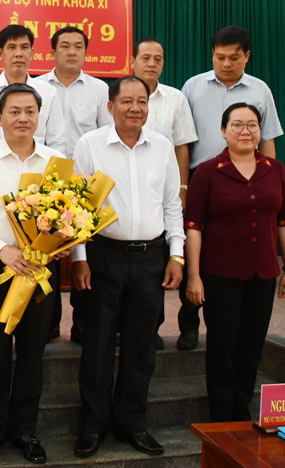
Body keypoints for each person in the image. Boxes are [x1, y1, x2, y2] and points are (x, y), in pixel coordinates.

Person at [0, 83, 72, 465]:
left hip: (40, 268)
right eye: (15, 111)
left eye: (30, 111)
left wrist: (64, 241)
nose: (23, 118)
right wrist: (2, 250)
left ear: (39, 116)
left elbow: (69, 214)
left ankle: (25, 430)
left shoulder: (57, 162)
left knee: (32, 352)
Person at [71, 76, 184, 458]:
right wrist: (79, 259)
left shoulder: (163, 147)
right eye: (127, 101)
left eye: (142, 101)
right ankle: (93, 425)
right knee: (98, 344)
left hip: (151, 258)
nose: (135, 108)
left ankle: (132, 423)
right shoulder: (90, 145)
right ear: (111, 106)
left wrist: (176, 254)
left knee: (142, 346)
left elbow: (172, 205)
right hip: (104, 257)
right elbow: (77, 208)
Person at [185, 102, 285, 422]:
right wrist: (194, 275)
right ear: (223, 131)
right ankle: (221, 419)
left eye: (252, 125)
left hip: (264, 274)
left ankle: (241, 412)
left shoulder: (276, 170)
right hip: (220, 274)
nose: (245, 131)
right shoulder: (207, 172)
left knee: (251, 347)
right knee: (222, 347)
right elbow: (193, 228)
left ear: (260, 131)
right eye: (237, 125)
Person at [178, 26, 283, 350]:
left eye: (234, 57)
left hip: (249, 176)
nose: (226, 63)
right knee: (194, 247)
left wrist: (270, 179)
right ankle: (189, 324)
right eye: (220, 57)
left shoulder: (260, 90)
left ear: (246, 56)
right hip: (201, 177)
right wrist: (183, 186)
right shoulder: (193, 86)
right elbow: (183, 140)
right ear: (212, 54)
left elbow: (267, 138)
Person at [32, 26, 113, 343]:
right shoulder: (37, 87)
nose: (71, 51)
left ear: (86, 52)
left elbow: (106, 135)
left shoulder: (99, 90)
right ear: (52, 52)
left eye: (78, 46)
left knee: (85, 252)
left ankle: (82, 324)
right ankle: (48, 323)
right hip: (45, 180)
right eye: (64, 46)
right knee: (48, 251)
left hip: (86, 180)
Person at [131, 37, 198, 349]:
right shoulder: (119, 94)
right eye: (146, 57)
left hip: (165, 192)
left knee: (165, 257)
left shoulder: (175, 98)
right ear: (132, 61)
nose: (152, 63)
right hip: (128, 192)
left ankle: (169, 326)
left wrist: (182, 188)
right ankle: (138, 326)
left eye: (158, 58)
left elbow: (182, 146)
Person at [0, 24, 65, 154]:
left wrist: (55, 168)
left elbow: (57, 142)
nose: (18, 54)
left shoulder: (49, 92)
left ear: (32, 53)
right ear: (0, 54)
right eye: (12, 47)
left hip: (37, 165)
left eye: (24, 47)